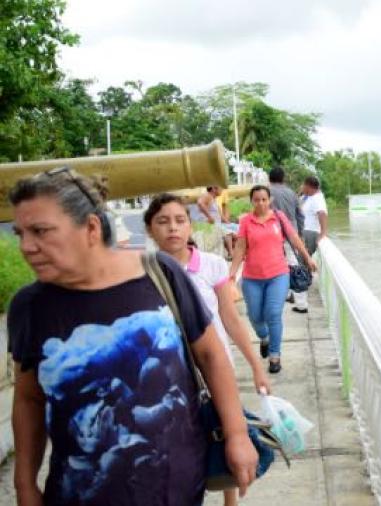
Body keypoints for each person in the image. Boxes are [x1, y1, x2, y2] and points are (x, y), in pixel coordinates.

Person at [7, 168, 258, 505]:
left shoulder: (159, 275)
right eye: (19, 233)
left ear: (92, 228)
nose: (27, 246)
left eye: (40, 231)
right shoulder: (30, 306)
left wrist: (237, 434)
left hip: (175, 485)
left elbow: (212, 356)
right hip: (80, 491)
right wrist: (25, 484)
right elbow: (29, 399)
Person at [144, 193, 271, 506]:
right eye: (162, 222)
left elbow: (229, 317)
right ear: (149, 229)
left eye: (179, 220)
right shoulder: (145, 271)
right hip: (171, 375)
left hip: (216, 367)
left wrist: (256, 365)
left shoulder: (212, 265)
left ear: (190, 225)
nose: (172, 228)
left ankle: (231, 500)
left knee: (224, 428)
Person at [229, 185, 317, 374]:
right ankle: (264, 337)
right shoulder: (245, 221)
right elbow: (240, 248)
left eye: (264, 199)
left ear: (270, 200)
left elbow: (294, 238)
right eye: (256, 199)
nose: (260, 203)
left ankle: (275, 355)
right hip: (252, 278)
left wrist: (308, 258)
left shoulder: (278, 217)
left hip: (278, 274)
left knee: (273, 313)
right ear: (251, 201)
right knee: (255, 316)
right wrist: (231, 275)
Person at [266, 167, 303, 305]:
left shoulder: (267, 192)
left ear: (270, 178)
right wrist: (300, 234)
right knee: (293, 263)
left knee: (276, 265)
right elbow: (300, 215)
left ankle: (284, 293)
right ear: (283, 178)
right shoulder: (292, 193)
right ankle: (298, 298)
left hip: (273, 233)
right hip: (291, 233)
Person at [293, 176, 328, 313]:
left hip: (310, 233)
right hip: (305, 232)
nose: (302, 187)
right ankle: (300, 296)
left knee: (301, 264)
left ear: (309, 186)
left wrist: (323, 233)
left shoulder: (317, 198)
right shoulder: (308, 197)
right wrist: (300, 192)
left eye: (304, 185)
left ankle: (301, 303)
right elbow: (297, 204)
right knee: (302, 264)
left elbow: (322, 214)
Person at [194, 186, 239, 259]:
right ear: (214, 189)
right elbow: (200, 203)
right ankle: (231, 254)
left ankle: (237, 252)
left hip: (219, 223)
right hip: (210, 225)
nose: (222, 190)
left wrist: (229, 223)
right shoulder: (208, 196)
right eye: (221, 188)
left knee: (238, 229)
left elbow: (221, 216)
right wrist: (209, 217)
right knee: (229, 233)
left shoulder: (214, 199)